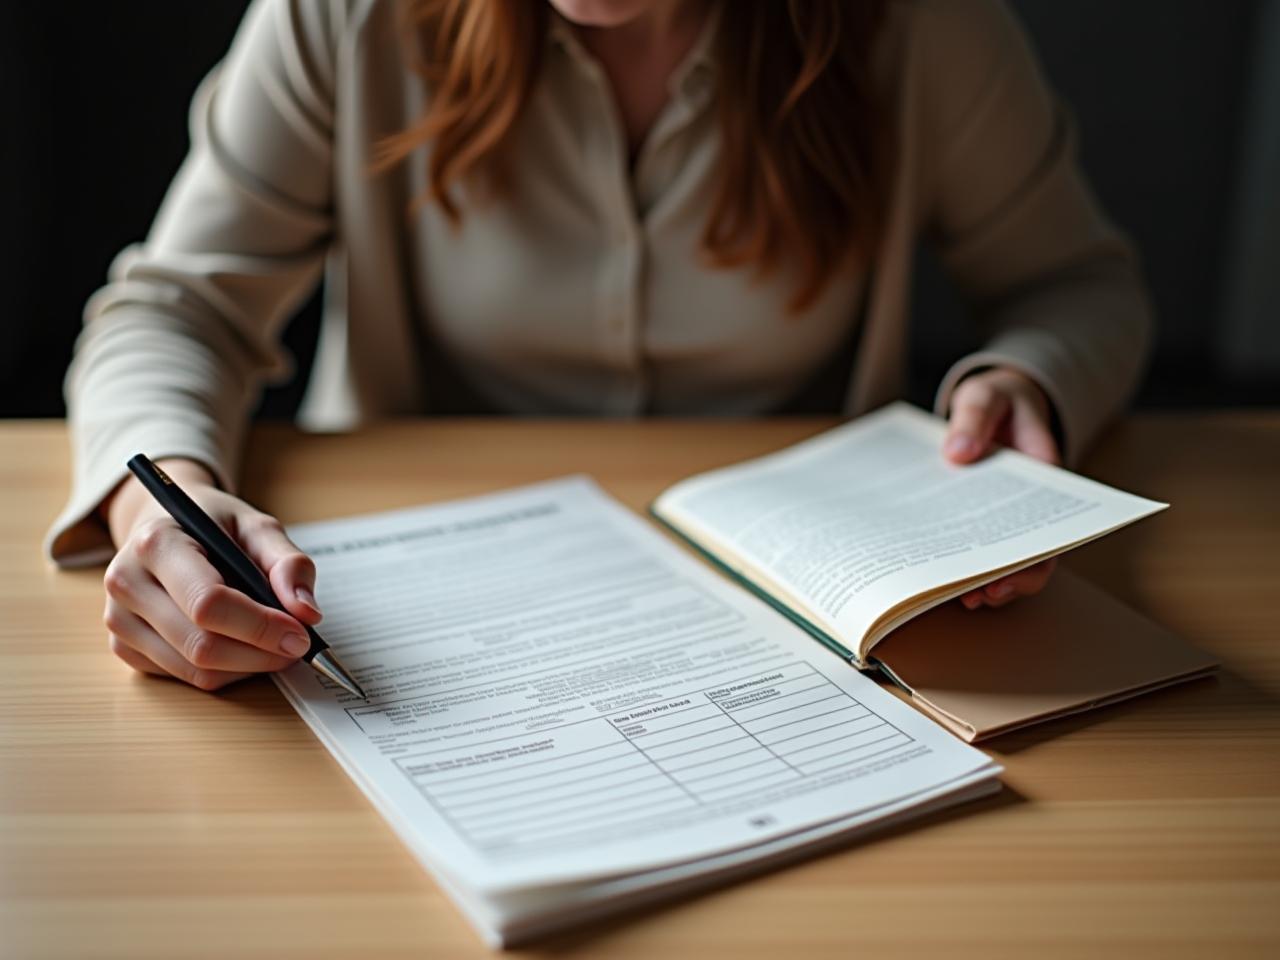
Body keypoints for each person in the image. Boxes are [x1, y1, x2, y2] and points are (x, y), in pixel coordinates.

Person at [46, 0, 1151, 692]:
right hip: (412, 624)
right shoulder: (343, 17)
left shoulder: (919, 27)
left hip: (805, 631)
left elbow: (1078, 287)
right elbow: (177, 305)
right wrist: (164, 496)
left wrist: (1023, 382)